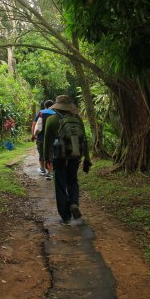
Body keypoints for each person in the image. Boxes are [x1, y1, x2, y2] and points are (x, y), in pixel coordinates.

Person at [43, 95, 92, 225]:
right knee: (73, 181)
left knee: (60, 184)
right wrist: (86, 157)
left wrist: (46, 158)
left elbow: (47, 142)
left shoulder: (52, 119)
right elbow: (84, 139)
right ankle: (74, 204)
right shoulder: (78, 119)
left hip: (58, 157)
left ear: (57, 106)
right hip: (75, 156)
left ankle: (65, 216)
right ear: (70, 106)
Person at [31, 99, 55, 180]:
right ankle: (49, 173)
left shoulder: (41, 113)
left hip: (41, 138)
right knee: (51, 154)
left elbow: (34, 124)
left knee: (41, 153)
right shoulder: (55, 114)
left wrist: (33, 135)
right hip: (52, 139)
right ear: (53, 106)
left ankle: (42, 170)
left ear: (45, 106)